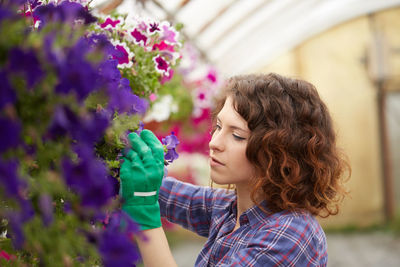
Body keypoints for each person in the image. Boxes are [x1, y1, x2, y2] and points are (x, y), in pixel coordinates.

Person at [119, 73, 350, 267]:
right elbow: (167, 193)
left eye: (237, 135)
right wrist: (122, 159)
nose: (214, 143)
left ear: (281, 153)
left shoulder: (290, 235)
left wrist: (145, 216)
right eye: (218, 127)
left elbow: (148, 199)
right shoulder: (233, 210)